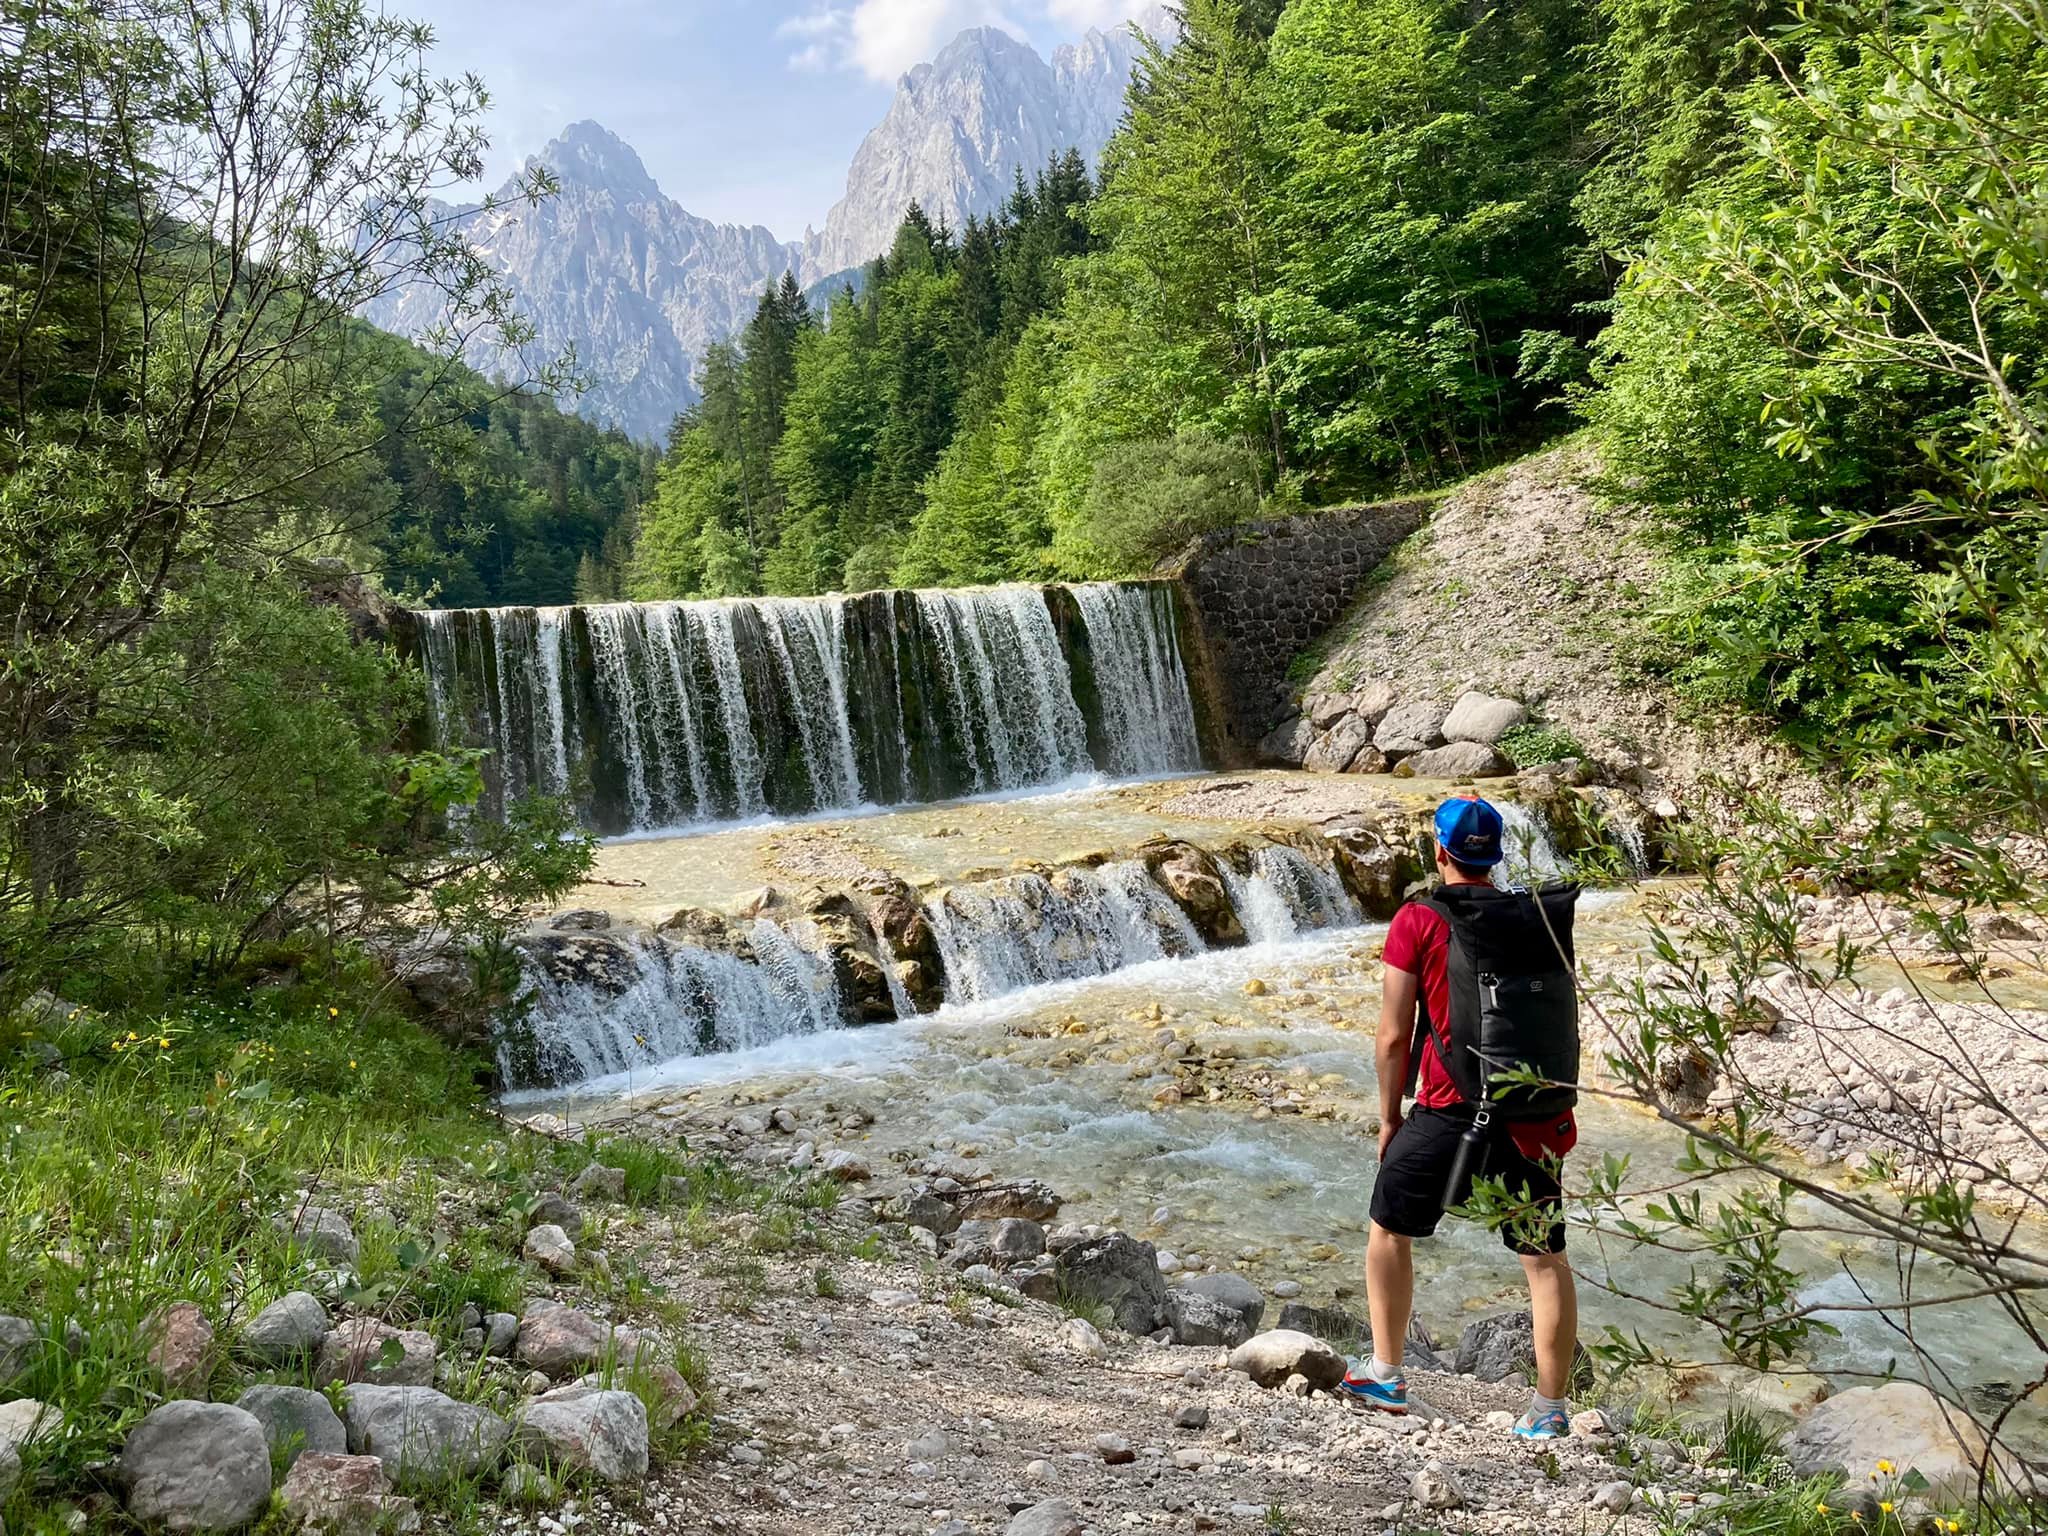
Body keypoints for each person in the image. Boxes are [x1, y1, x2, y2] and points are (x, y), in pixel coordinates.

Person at [1337, 794, 1581, 1440]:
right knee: (1546, 1258)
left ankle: (1386, 1373)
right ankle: (1549, 1411)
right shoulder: (1534, 917)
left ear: (1439, 851)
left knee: (1389, 1228)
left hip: (1450, 1110)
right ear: (1495, 855)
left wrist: (1390, 1117)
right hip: (1531, 1113)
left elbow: (1393, 1035)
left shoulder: (1417, 919)